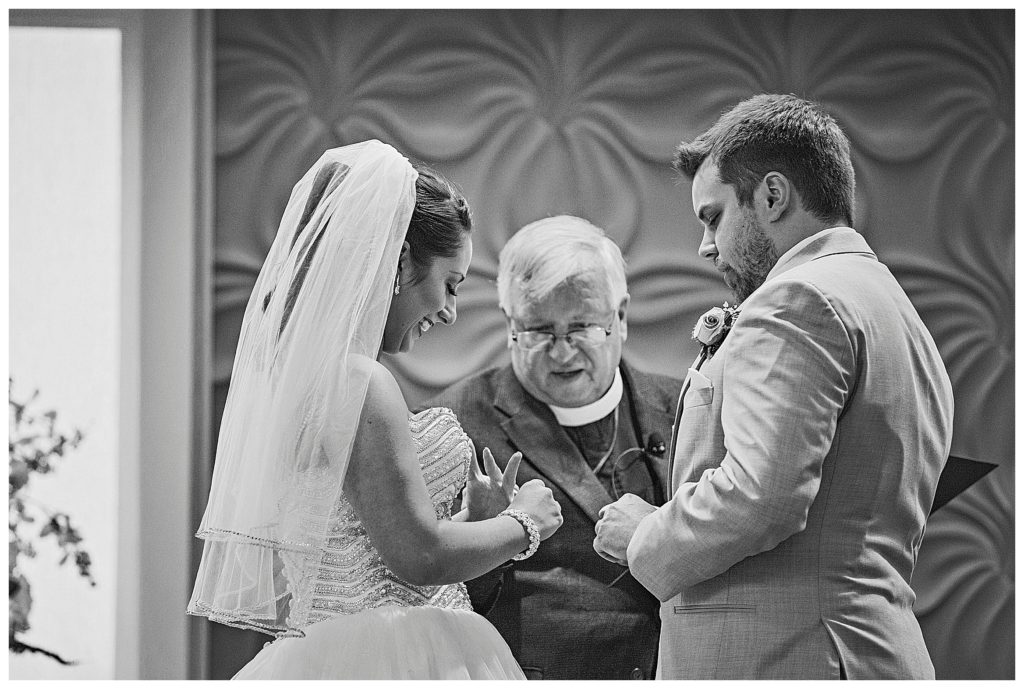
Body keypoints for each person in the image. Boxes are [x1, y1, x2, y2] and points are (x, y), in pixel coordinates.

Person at [593, 94, 954, 679]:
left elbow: (760, 497)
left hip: (791, 656)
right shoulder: (891, 303)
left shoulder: (798, 298)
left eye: (713, 217)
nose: (705, 246)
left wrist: (645, 535)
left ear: (772, 196)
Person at [187, 140, 563, 680]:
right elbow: (418, 556)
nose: (451, 312)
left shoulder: (314, 381)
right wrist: (524, 522)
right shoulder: (360, 382)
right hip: (389, 653)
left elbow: (370, 550)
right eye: (450, 285)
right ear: (401, 261)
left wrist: (473, 524)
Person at [424, 216, 681, 679]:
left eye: (582, 327)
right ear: (510, 323)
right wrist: (481, 538)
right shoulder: (451, 423)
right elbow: (420, 594)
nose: (562, 352)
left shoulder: (683, 409)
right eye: (540, 331)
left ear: (621, 317)